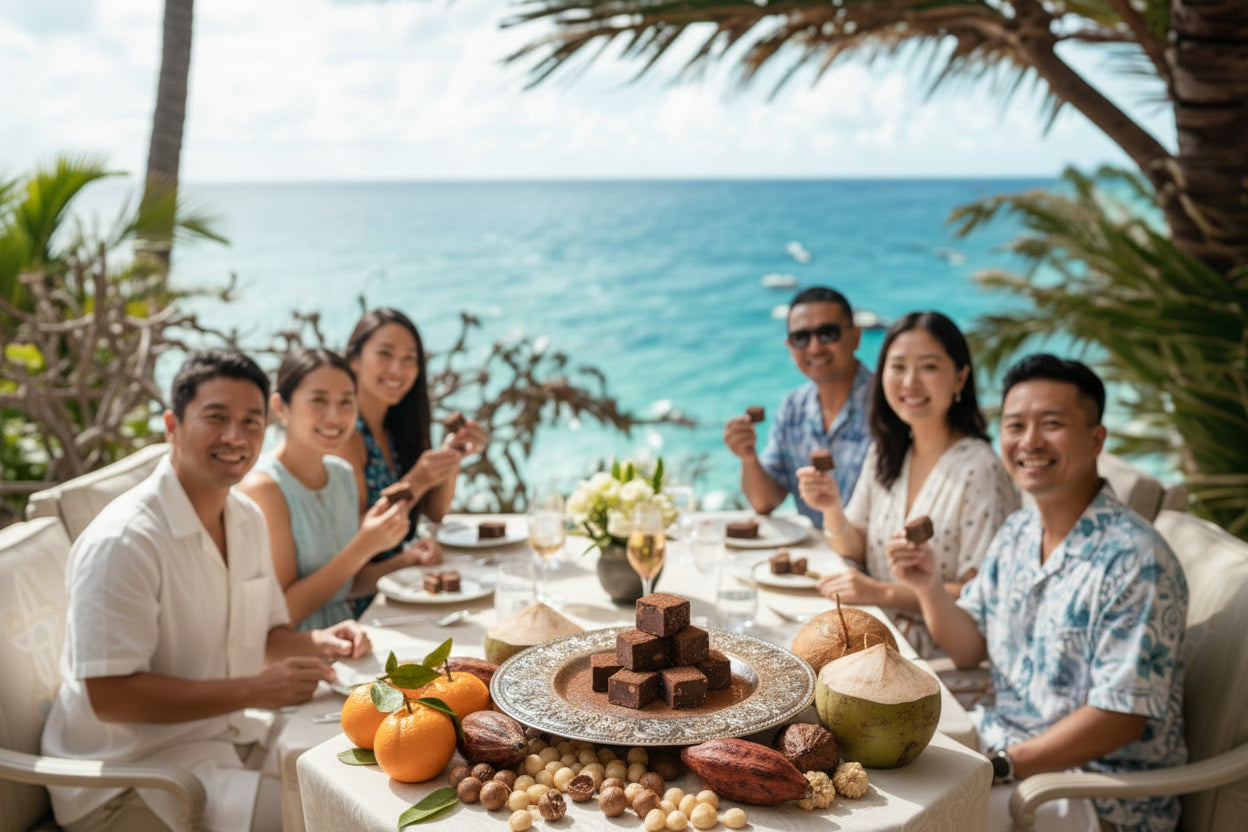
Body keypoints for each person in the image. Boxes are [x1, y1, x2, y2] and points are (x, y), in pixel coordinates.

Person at [41, 349, 371, 832]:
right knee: (333, 817)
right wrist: (254, 689)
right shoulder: (123, 542)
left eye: (250, 422)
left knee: (360, 780)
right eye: (216, 418)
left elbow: (262, 635)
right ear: (172, 425)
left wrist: (316, 642)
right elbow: (111, 697)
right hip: (128, 780)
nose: (235, 437)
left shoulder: (245, 517)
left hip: (223, 737)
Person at [890, 354, 1187, 832]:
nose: (1029, 441)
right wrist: (927, 585)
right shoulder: (1018, 531)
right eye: (1015, 425)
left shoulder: (1135, 560)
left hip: (1094, 792)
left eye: (1051, 424)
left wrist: (1002, 764)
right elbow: (968, 648)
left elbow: (1120, 717)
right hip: (1004, 749)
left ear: (1095, 439)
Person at [796, 311, 1019, 655]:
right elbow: (854, 548)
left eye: (928, 367)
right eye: (898, 367)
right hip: (869, 635)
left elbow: (982, 595)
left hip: (935, 658)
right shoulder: (887, 450)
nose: (910, 382)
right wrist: (831, 508)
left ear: (960, 378)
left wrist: (880, 592)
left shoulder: (980, 469)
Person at [239, 348, 415, 630]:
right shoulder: (264, 489)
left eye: (346, 402)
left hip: (352, 640)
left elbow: (345, 585)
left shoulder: (341, 475)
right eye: (318, 401)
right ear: (281, 407)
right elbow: (283, 613)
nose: (335, 417)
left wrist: (408, 560)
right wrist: (364, 545)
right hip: (299, 659)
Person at [336, 308, 487, 614]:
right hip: (361, 603)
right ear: (353, 359)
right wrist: (415, 482)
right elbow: (353, 539)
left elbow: (434, 512)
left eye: (409, 359)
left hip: (400, 584)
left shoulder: (396, 427)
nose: (398, 369)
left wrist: (451, 457)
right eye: (385, 354)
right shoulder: (346, 436)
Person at [723, 286, 873, 527]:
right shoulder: (793, 408)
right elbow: (765, 502)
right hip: (816, 557)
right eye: (801, 338)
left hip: (875, 559)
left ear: (855, 337)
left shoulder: (889, 406)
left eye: (827, 333)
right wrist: (748, 457)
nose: (814, 348)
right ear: (789, 345)